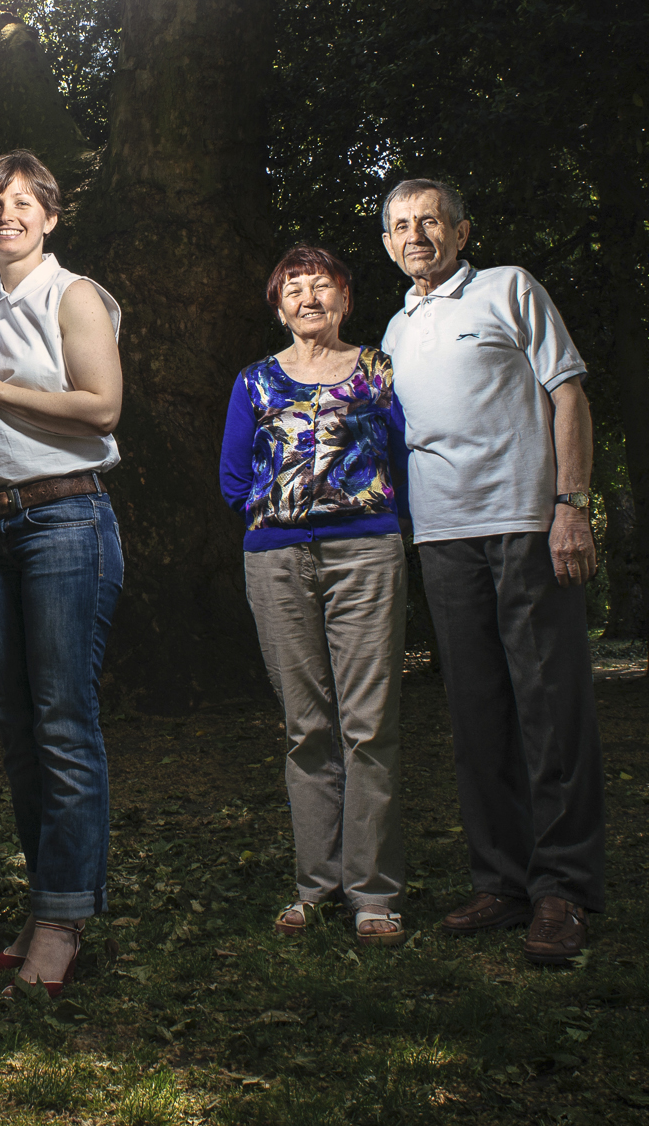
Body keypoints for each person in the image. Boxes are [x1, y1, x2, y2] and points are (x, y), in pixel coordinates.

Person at [377, 178, 604, 967]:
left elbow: (568, 395)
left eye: (429, 220)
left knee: (549, 707)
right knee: (476, 713)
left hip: (525, 524)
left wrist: (571, 505)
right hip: (444, 538)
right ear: (388, 243)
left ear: (462, 231)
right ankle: (502, 880)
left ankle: (563, 888)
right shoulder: (396, 328)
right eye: (401, 225)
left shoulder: (510, 289)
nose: (416, 234)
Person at [0, 150, 123, 997]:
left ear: (49, 216)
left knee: (61, 720)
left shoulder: (70, 293)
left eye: (21, 202)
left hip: (63, 518)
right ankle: (47, 902)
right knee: (16, 728)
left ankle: (63, 920)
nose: (4, 214)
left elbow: (102, 406)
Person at [218, 245, 411, 948]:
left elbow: (402, 456)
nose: (308, 297)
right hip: (276, 560)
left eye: (321, 285)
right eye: (293, 287)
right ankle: (316, 886)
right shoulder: (255, 381)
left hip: (366, 552)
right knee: (306, 727)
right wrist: (281, 514)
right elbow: (233, 478)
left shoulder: (378, 371)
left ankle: (373, 895)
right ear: (278, 306)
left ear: (345, 299)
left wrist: (366, 515)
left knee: (368, 724)